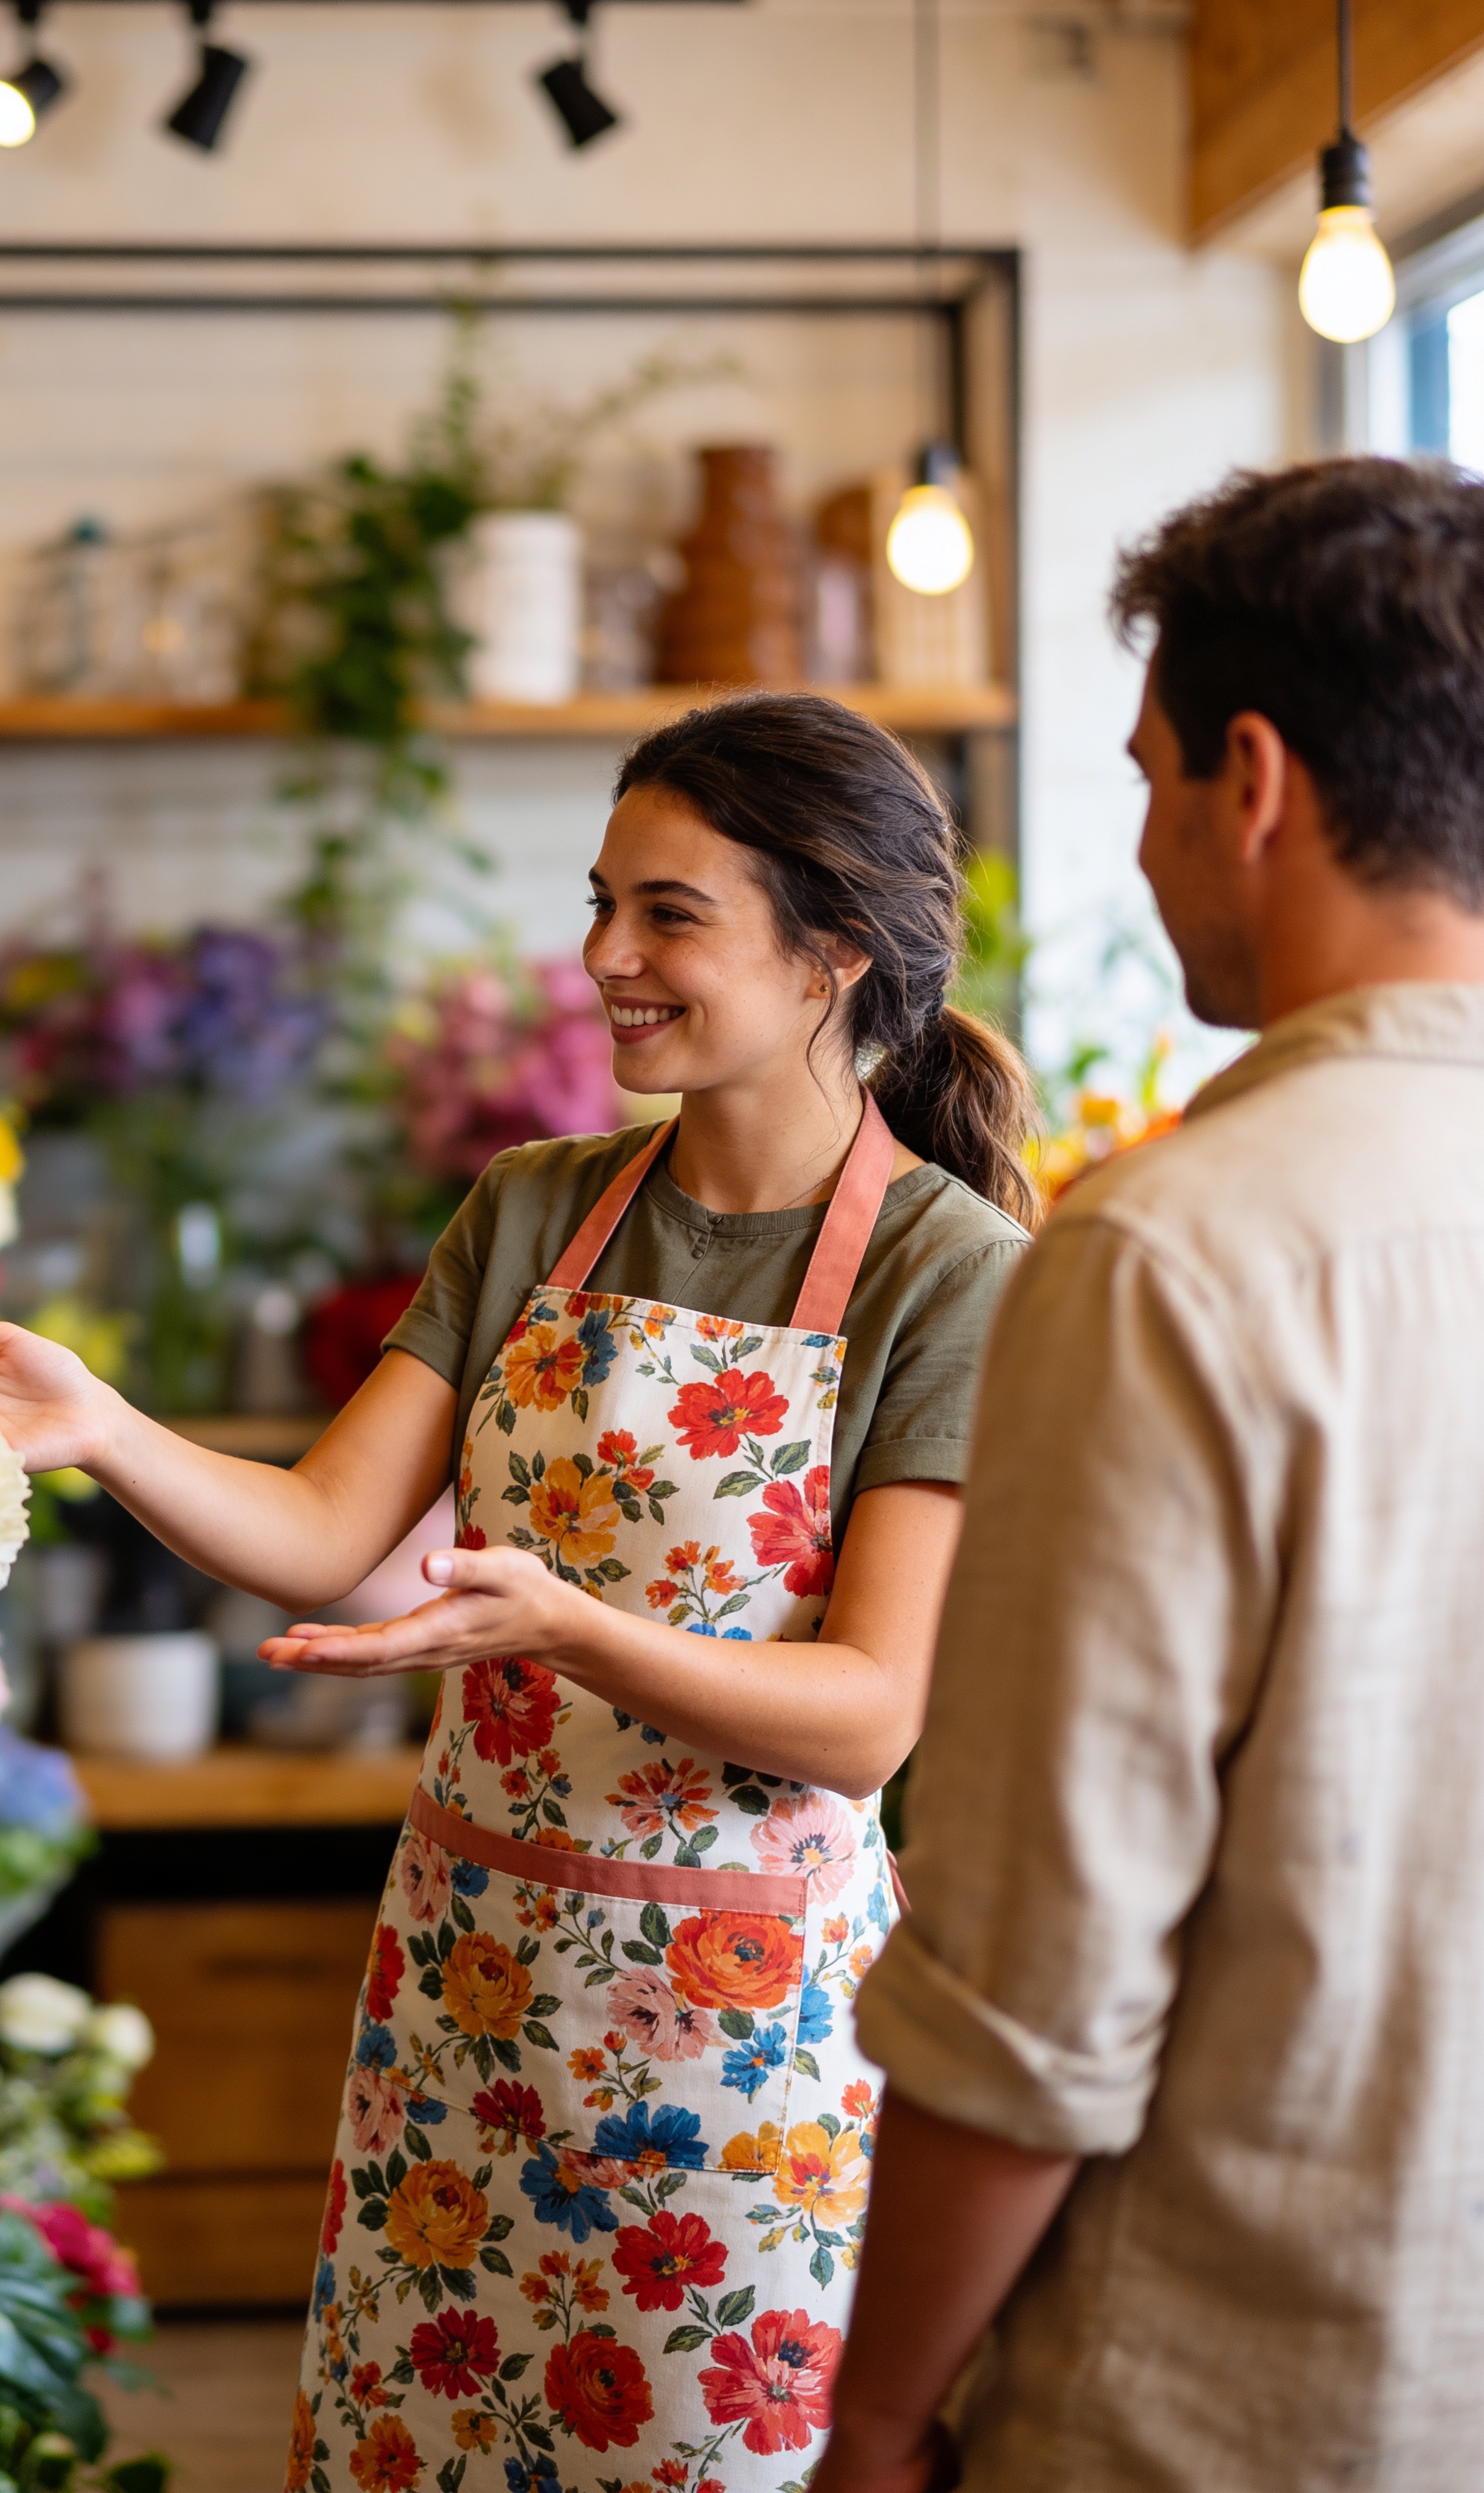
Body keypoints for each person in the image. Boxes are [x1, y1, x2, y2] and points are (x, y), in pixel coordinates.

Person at [0, 693, 1039, 2491]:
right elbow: (322, 1523)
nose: (604, 958)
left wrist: (568, 1627)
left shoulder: (947, 1270)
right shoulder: (534, 1208)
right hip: (470, 1998)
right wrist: (104, 1424)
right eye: (602, 902)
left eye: (670, 914)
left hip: (744, 2071)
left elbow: (867, 1714)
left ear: (835, 952)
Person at [815, 456, 1484, 2493]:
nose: (1145, 831)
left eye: (1148, 770)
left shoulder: (1172, 1250)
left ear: (1253, 781)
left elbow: (1037, 1984)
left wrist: (870, 2422)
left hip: (1223, 2390)